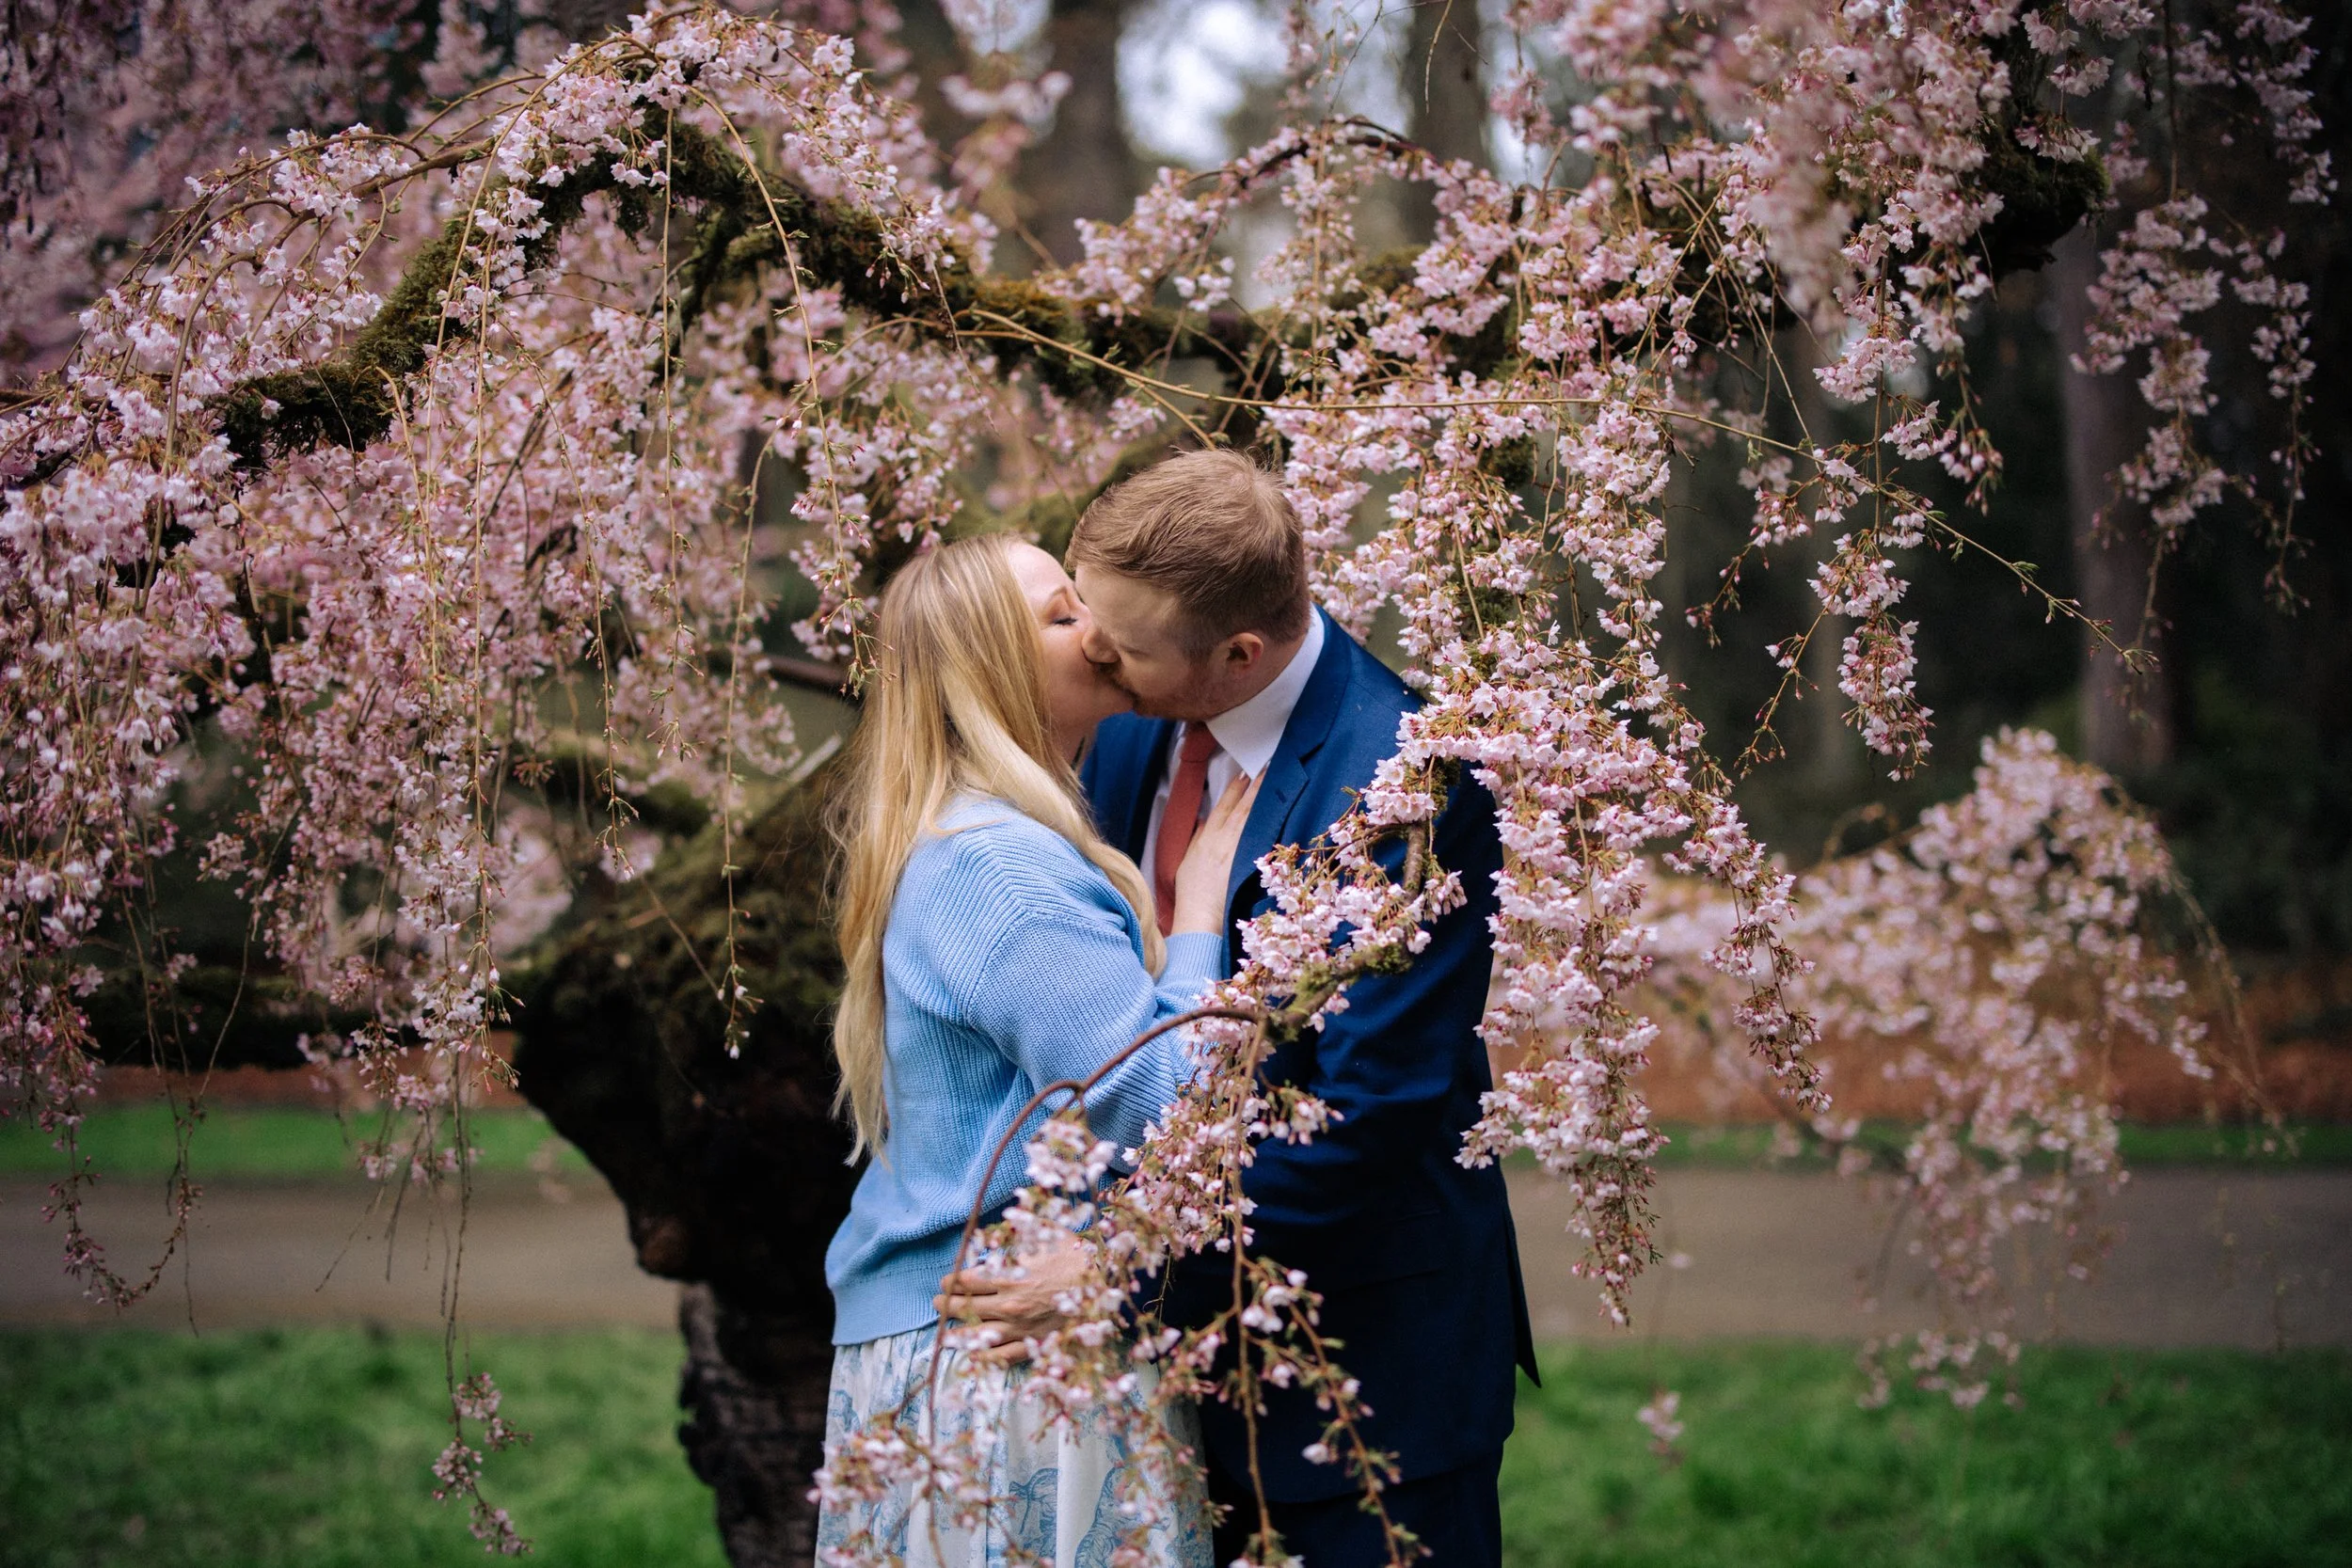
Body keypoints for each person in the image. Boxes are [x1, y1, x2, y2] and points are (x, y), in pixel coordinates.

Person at [949, 449, 1538, 1566]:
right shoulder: (1123, 718)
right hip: (1146, 1394)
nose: (1089, 652)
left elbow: (1372, 1109)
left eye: (1118, 644)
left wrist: (1123, 1259)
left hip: (1361, 1380)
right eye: (1078, 614)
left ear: (1237, 654)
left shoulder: (1410, 785)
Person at [816, 532, 1255, 1568]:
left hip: (968, 1351)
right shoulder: (1003, 868)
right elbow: (1162, 1099)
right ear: (991, 671)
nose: (1101, 632)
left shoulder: (975, 837)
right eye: (1063, 616)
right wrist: (1196, 918)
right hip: (1011, 1366)